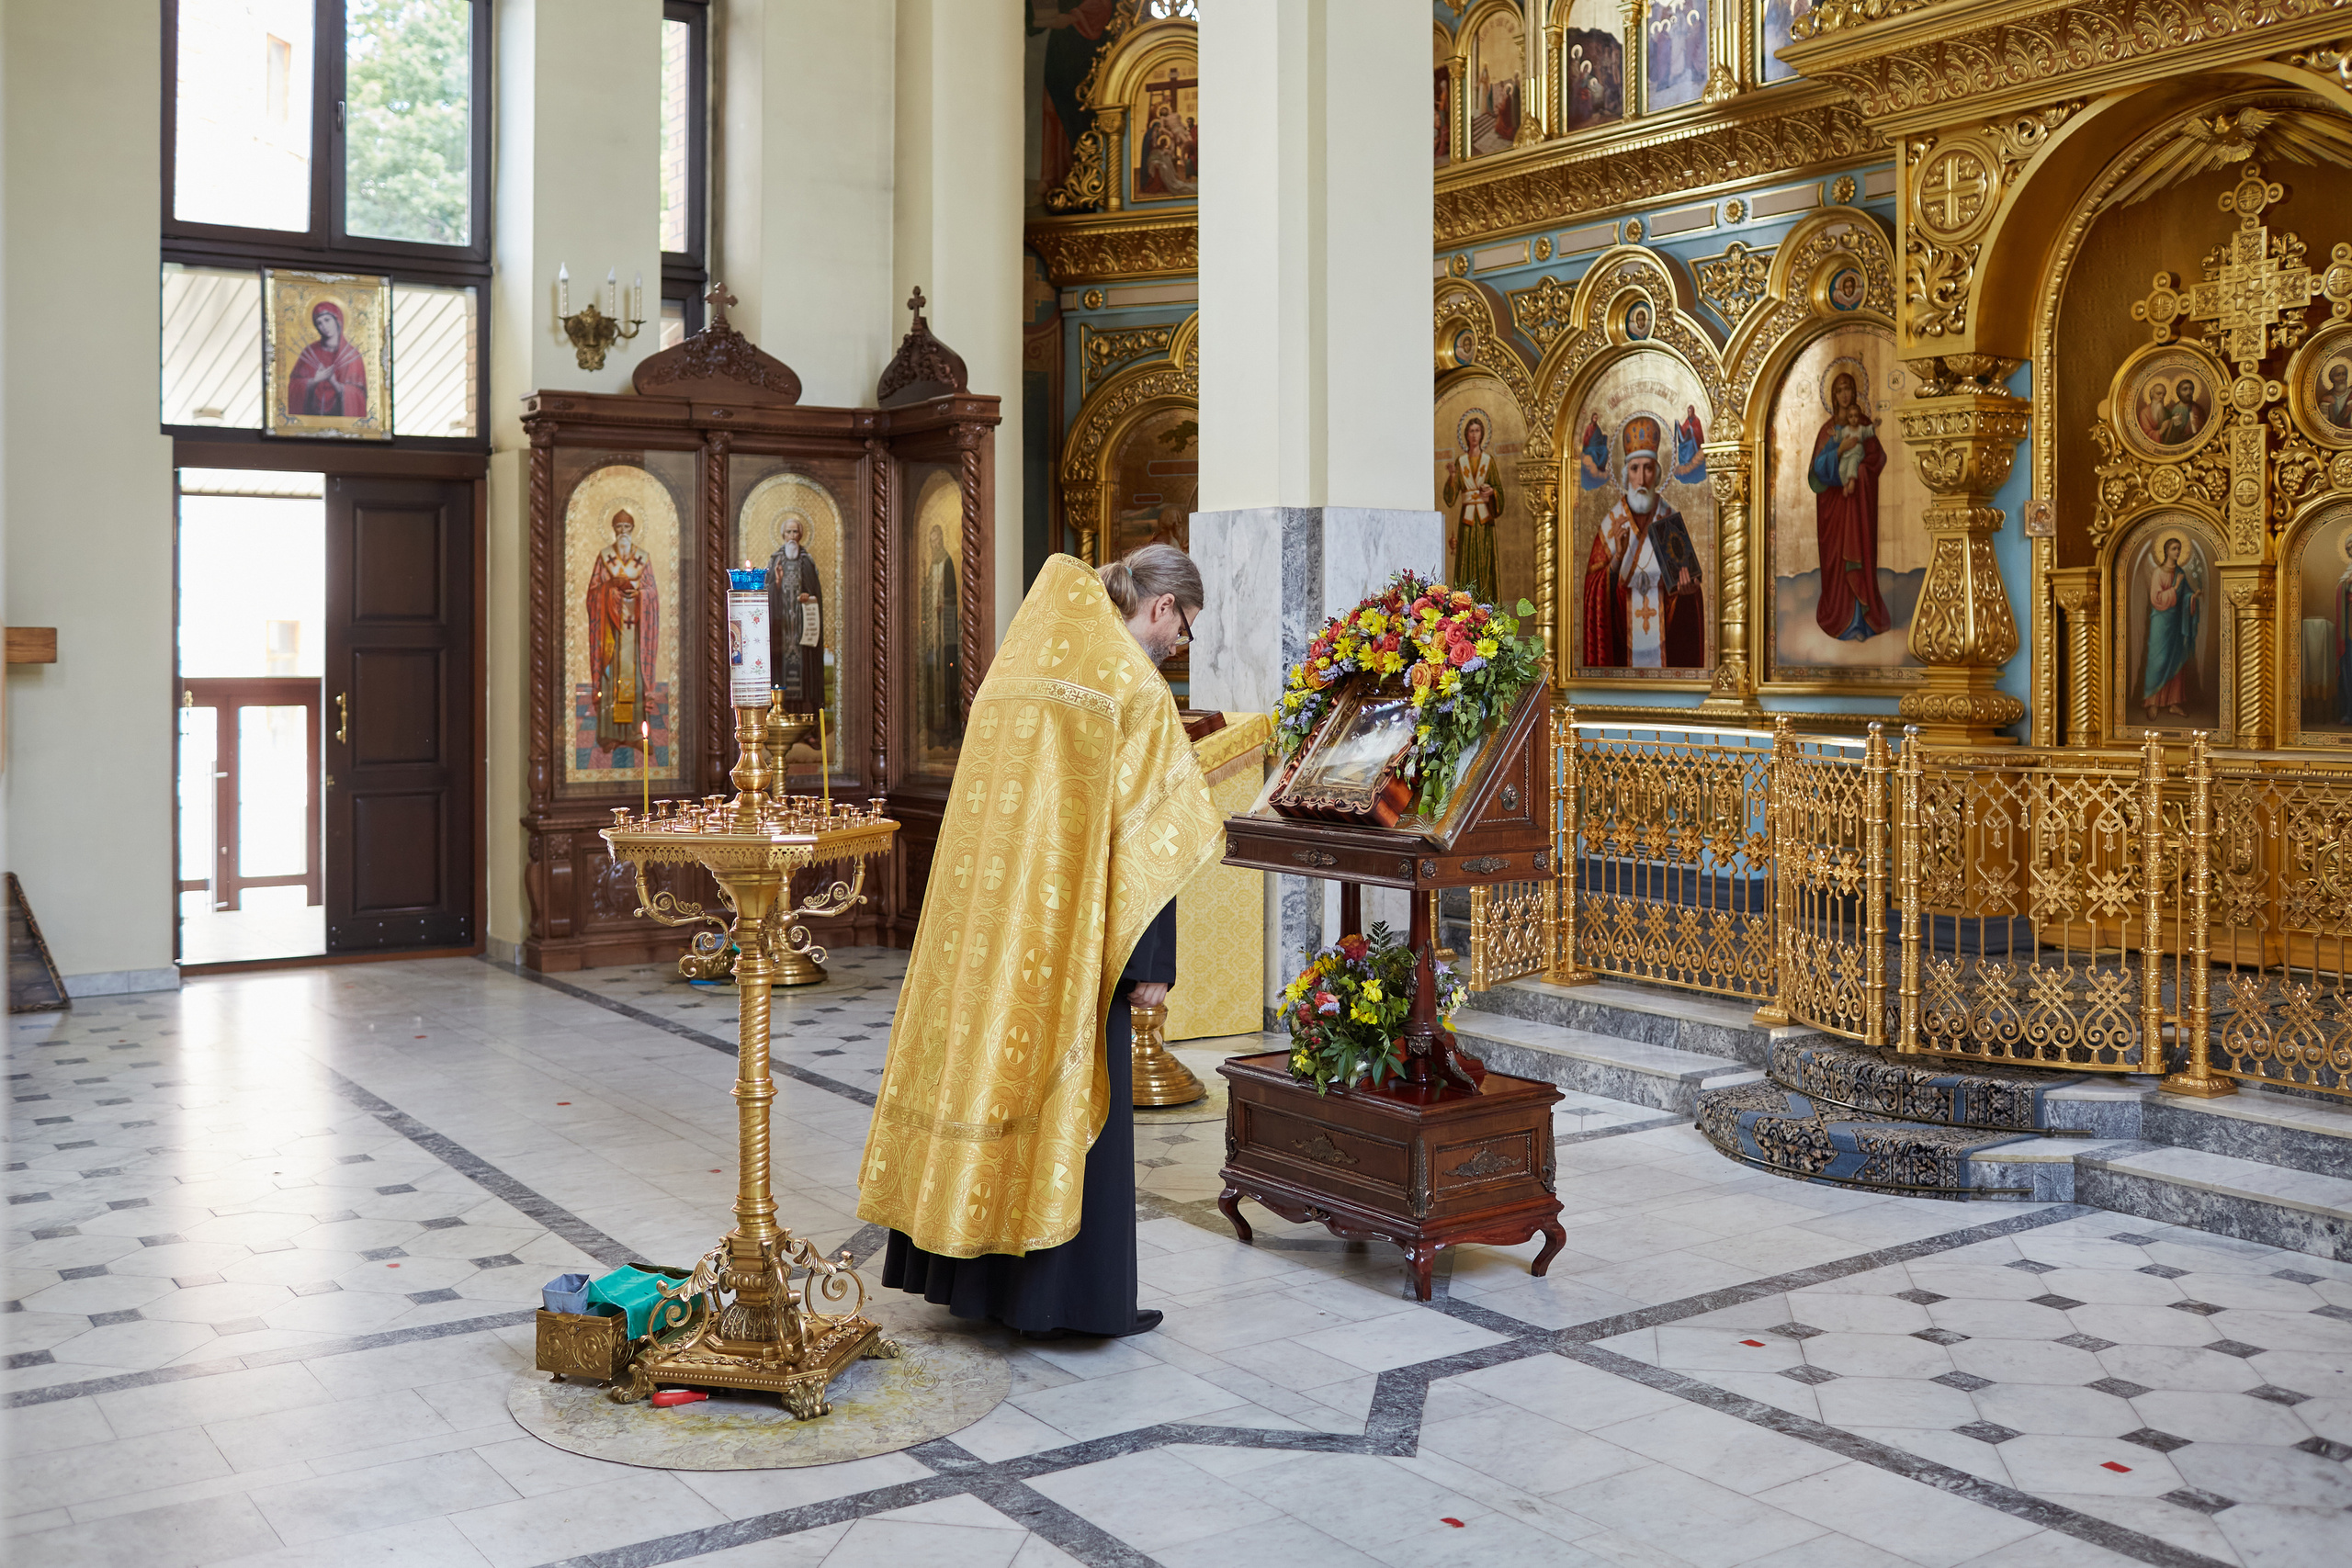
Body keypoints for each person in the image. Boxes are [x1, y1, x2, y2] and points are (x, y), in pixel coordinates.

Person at [865, 544, 1220, 1339]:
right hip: (1070, 935)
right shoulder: (1130, 683)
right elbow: (1149, 839)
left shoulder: (1026, 658)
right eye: (1184, 629)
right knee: (1074, 1102)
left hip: (992, 925)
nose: (1177, 647)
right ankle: (1074, 1301)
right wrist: (1150, 967)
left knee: (992, 1079)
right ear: (1161, 608)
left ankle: (978, 1287)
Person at [1583, 416, 1704, 668]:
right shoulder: (1611, 524)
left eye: (1648, 468)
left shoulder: (1668, 521)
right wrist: (1616, 560)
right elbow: (1593, 591)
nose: (1641, 478)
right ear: (1626, 474)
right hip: (1620, 649)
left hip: (1667, 647)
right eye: (1635, 469)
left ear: (1657, 473)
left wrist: (1686, 595)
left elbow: (1690, 588)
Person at [1810, 371, 1891, 642]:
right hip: (1834, 509)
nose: (1845, 394)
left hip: (1858, 506)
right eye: (1840, 390)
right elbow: (1817, 472)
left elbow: (1878, 457)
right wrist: (1840, 450)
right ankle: (1842, 619)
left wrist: (1860, 471)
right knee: (1837, 563)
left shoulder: (1863, 423)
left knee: (1860, 558)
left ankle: (1863, 619)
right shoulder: (1828, 431)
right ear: (1833, 395)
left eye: (1849, 389)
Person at [585, 510, 658, 753]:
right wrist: (609, 591)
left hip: (635, 633)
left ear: (633, 530)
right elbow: (593, 592)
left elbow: (652, 592)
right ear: (614, 530)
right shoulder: (604, 557)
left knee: (634, 679)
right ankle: (610, 735)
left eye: (627, 528)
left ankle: (636, 734)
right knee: (610, 678)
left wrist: (640, 596)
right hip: (611, 634)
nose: (623, 532)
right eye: (619, 528)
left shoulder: (642, 558)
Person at [765, 512, 824, 711]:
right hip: (781, 630)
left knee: (804, 672)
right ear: (783, 535)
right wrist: (778, 582)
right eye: (788, 532)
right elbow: (768, 591)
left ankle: (805, 718)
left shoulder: (806, 561)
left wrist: (808, 595)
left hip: (801, 629)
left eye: (795, 532)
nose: (792, 536)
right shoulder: (775, 561)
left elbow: (815, 592)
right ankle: (778, 713)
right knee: (780, 671)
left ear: (801, 535)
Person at [1442, 417, 1502, 607]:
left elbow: (1498, 490)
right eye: (1471, 431)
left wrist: (1492, 492)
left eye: (1477, 431)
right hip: (1467, 522)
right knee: (1466, 562)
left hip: (1484, 521)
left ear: (1482, 434)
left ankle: (1487, 607)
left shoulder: (1488, 461)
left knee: (1485, 564)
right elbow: (1450, 498)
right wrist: (1452, 477)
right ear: (1466, 435)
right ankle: (1463, 606)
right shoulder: (1461, 462)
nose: (1474, 434)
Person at [2142, 536, 2202, 719]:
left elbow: (2186, 595)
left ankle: (2174, 703)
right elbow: (2156, 599)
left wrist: (2192, 597)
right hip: (2161, 622)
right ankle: (2152, 702)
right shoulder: (2159, 573)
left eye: (2179, 548)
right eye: (2174, 548)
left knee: (2177, 661)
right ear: (2166, 551)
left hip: (2177, 622)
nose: (2177, 552)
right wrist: (2175, 587)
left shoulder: (2180, 571)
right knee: (2157, 661)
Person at [288, 299, 367, 417]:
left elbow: (359, 394)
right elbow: (294, 385)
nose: (324, 326)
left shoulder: (351, 355)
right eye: (319, 323)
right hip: (312, 415)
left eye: (327, 320)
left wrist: (334, 383)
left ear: (337, 320)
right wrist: (315, 381)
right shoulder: (310, 352)